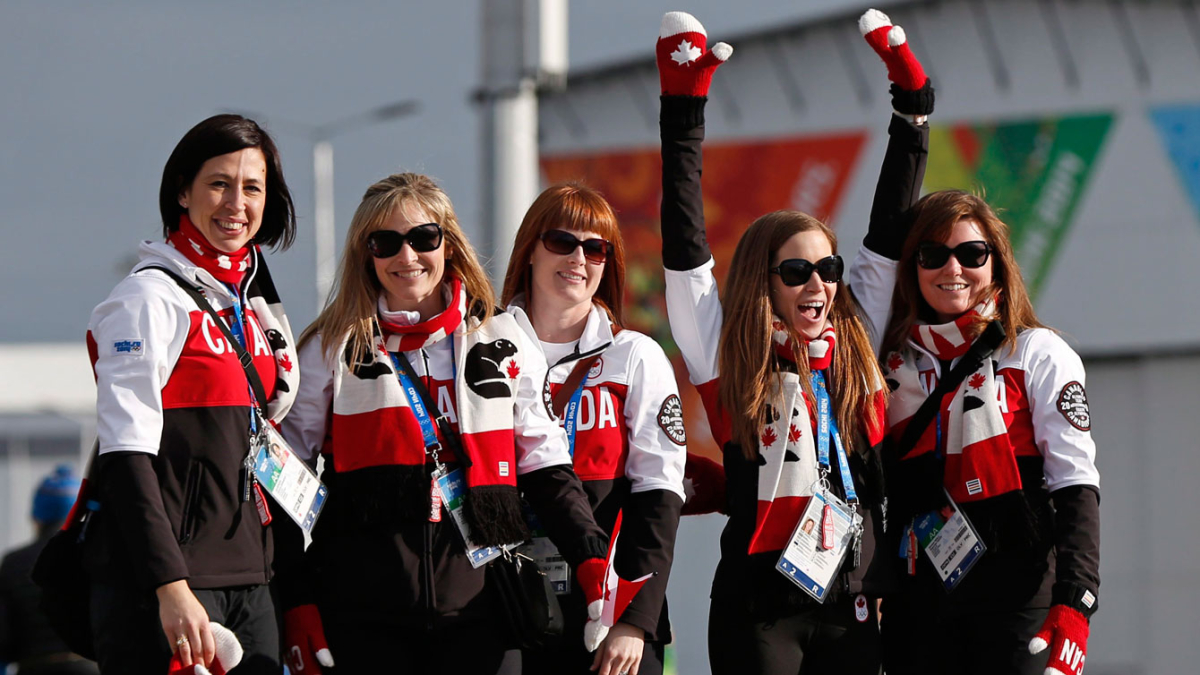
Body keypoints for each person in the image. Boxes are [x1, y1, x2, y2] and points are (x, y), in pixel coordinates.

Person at [655, 10, 935, 674]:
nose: (818, 283)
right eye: (796, 270)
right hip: (760, 609)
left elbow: (892, 226)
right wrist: (682, 111)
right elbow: (687, 253)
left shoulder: (857, 342)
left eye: (828, 268)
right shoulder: (730, 355)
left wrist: (912, 105)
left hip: (855, 600)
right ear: (765, 282)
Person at [279, 173, 611, 674]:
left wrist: (591, 561)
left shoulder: (502, 337)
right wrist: (295, 600)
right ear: (365, 254)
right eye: (385, 242)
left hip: (482, 614)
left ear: (449, 245)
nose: (406, 256)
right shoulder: (330, 349)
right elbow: (285, 484)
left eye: (423, 238)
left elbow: (546, 467)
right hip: (364, 619)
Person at [853, 174, 1101, 675]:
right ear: (912, 267)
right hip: (920, 610)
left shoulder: (1035, 352)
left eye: (971, 254)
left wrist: (1075, 603)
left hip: (1019, 601)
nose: (953, 269)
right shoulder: (889, 369)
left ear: (998, 264)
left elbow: (1074, 481)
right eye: (932, 254)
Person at [82, 114, 300, 674]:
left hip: (250, 577)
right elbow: (125, 459)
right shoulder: (147, 299)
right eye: (218, 183)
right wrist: (169, 586)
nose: (236, 202)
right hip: (170, 587)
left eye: (252, 187)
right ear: (183, 190)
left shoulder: (251, 305)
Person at [500, 184, 687, 675]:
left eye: (596, 247)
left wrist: (634, 619)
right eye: (562, 241)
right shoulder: (484, 350)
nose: (579, 258)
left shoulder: (635, 355)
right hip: (505, 608)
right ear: (530, 250)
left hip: (608, 613)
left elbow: (660, 497)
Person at [0, 465, 99, 675]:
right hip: (91, 667)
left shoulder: (13, 563)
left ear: (37, 517)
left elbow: (3, 636)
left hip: (35, 667)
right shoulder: (97, 558)